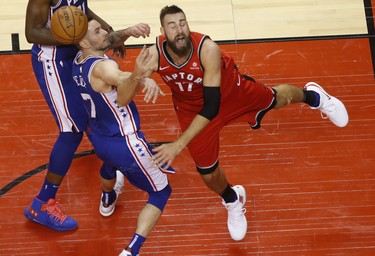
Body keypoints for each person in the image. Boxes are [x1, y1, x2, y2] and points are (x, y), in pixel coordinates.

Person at [143, 5, 349, 241]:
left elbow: (212, 106)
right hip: (191, 111)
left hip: (230, 93)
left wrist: (178, 145)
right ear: (162, 31)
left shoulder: (206, 48)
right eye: (172, 25)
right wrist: (143, 78)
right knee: (208, 174)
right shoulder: (154, 54)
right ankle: (233, 199)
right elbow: (130, 80)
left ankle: (315, 97)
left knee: (276, 99)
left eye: (183, 23)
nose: (179, 30)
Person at [24, 0, 151, 231]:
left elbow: (80, 11)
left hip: (76, 52)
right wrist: (75, 37)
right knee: (71, 130)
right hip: (53, 61)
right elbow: (31, 32)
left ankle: (111, 169)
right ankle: (42, 203)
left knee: (93, 111)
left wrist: (108, 31)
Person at [72, 19, 175, 256]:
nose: (106, 32)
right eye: (98, 31)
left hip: (99, 137)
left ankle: (107, 198)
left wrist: (128, 32)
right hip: (125, 141)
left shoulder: (78, 61)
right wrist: (140, 77)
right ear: (85, 42)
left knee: (110, 165)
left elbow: (108, 60)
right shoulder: (101, 68)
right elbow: (118, 81)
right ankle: (132, 251)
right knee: (161, 192)